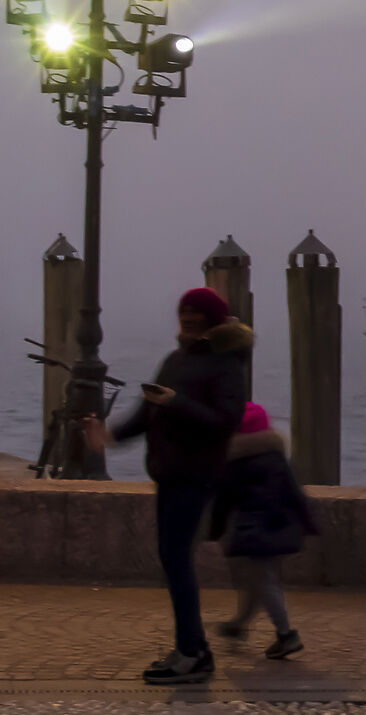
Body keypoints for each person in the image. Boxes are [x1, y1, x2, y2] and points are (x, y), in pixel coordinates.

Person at [83, 286, 251, 685]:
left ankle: (192, 654)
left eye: (196, 314)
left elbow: (225, 420)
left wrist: (177, 402)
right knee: (172, 560)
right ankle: (192, 649)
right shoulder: (175, 360)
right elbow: (147, 413)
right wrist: (110, 436)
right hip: (169, 474)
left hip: (196, 475)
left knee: (176, 560)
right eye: (184, 312)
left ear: (212, 320)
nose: (188, 319)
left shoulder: (226, 364)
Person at [209, 401, 319, 658]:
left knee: (264, 581)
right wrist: (308, 525)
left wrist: (213, 532)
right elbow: (296, 495)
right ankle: (239, 624)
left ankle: (286, 635)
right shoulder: (277, 459)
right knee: (259, 579)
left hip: (254, 532)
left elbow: (223, 502)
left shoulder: (235, 463)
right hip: (279, 528)